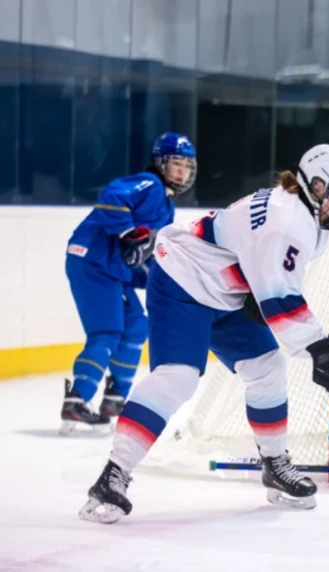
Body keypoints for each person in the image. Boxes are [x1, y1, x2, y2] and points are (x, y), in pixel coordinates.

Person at [78, 144, 329, 523]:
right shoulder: (288, 221)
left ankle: (274, 463)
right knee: (177, 378)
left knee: (267, 367)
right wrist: (321, 351)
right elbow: (282, 300)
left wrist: (268, 303)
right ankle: (113, 475)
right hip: (183, 279)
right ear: (315, 184)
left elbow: (270, 278)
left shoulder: (302, 213)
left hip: (225, 290)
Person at [62, 133, 197, 434]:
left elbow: (142, 258)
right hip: (91, 260)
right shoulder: (149, 185)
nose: (181, 171)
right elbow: (113, 196)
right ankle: (76, 401)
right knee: (107, 332)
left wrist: (168, 285)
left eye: (187, 166)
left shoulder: (167, 207)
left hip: (112, 269)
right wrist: (126, 232)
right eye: (176, 163)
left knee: (136, 324)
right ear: (160, 162)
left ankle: (114, 399)